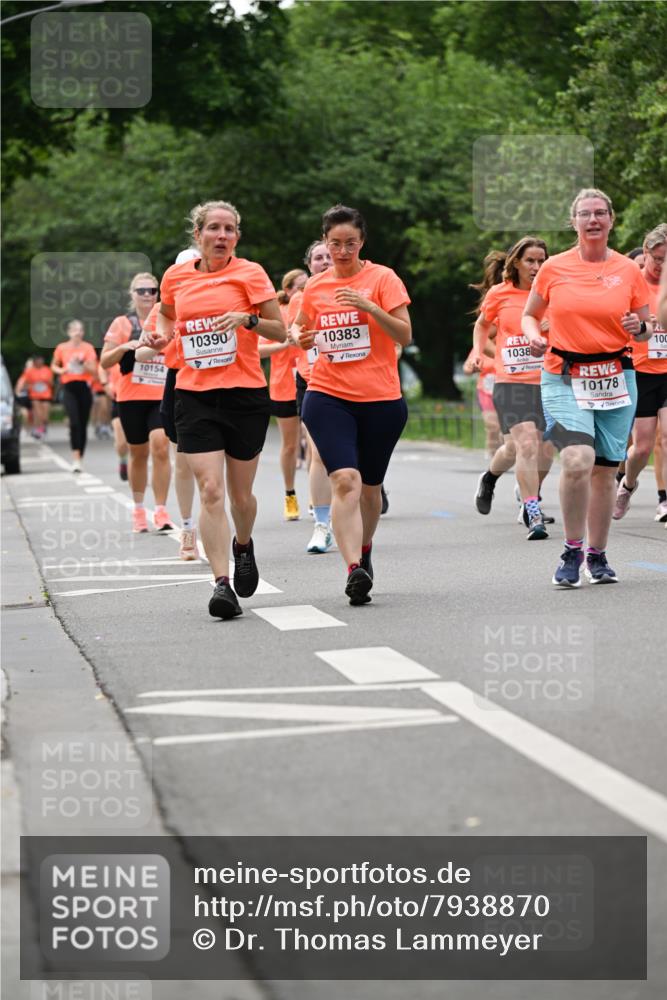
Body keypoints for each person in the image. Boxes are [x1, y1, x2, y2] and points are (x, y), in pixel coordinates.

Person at [144, 200, 286, 619]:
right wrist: (160, 338)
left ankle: (243, 544)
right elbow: (167, 320)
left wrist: (248, 319)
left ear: (236, 237)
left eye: (229, 230)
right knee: (211, 489)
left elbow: (280, 328)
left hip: (245, 394)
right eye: (214, 229)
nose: (222, 236)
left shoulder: (251, 273)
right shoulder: (175, 278)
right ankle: (221, 584)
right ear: (198, 235)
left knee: (241, 496)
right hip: (194, 393)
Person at [522, 188, 652, 586]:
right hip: (563, 371)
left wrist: (638, 328)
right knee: (577, 459)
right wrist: (532, 335)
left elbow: (645, 329)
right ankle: (571, 549)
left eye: (600, 213)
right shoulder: (555, 268)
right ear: (573, 221)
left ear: (611, 220)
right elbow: (531, 315)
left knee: (603, 470)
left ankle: (597, 555)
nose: (593, 220)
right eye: (585, 214)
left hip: (615, 375)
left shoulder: (629, 271)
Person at [293, 204, 411, 606]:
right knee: (345, 480)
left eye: (350, 243)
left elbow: (405, 335)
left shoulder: (382, 278)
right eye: (335, 243)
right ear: (325, 242)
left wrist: (371, 308)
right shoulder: (316, 286)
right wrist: (299, 336)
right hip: (327, 394)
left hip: (381, 399)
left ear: (362, 242)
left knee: (371, 492)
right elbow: (302, 327)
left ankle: (364, 548)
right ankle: (352, 570)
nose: (342, 251)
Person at [471, 237, 554, 539]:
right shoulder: (500, 293)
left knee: (532, 450)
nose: (536, 266)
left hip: (548, 382)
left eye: (541, 260)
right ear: (516, 262)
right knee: (527, 446)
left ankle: (490, 477)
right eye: (530, 260)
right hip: (511, 382)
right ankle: (532, 511)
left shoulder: (551, 293)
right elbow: (482, 324)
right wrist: (478, 352)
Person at [136, 247, 201, 561]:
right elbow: (141, 354)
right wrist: (151, 345)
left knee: (224, 470)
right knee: (184, 461)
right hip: (180, 383)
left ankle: (233, 532)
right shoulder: (163, 307)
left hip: (223, 381)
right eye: (183, 270)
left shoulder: (222, 296)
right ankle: (188, 530)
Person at [101, 273, 175, 533]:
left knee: (160, 446)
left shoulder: (166, 319)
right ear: (132, 294)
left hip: (159, 396)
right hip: (130, 397)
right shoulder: (122, 324)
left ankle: (162, 510)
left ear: (158, 293)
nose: (146, 295)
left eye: (151, 290)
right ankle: (139, 508)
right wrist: (125, 348)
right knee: (138, 453)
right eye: (141, 290)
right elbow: (104, 362)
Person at [613, 224, 667, 522]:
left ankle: (666, 498)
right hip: (641, 371)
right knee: (642, 447)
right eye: (658, 258)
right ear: (645, 252)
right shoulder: (631, 282)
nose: (662, 266)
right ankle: (628, 484)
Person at [288, 240, 335, 554]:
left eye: (329, 256)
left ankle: (351, 512)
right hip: (313, 381)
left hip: (356, 382)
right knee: (317, 453)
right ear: (309, 265)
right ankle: (322, 525)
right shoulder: (302, 299)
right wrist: (300, 337)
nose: (325, 261)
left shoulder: (356, 290)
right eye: (318, 257)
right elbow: (293, 331)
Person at [259, 268, 307, 520]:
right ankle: (290, 495)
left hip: (311, 381)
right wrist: (285, 343)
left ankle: (316, 498)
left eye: (306, 285)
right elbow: (257, 351)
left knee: (313, 442)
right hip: (283, 387)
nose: (303, 289)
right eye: (298, 286)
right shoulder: (278, 312)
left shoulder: (313, 306)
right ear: (288, 290)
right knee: (290, 445)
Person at [51, 320, 98, 471]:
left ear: (83, 333)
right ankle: (75, 458)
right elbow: (53, 366)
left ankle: (80, 457)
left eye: (80, 330)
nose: (77, 333)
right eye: (75, 330)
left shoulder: (88, 348)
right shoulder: (62, 348)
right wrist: (63, 370)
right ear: (69, 332)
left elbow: (94, 370)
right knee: (74, 422)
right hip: (69, 387)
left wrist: (82, 363)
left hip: (84, 387)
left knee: (83, 424)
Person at [16, 355, 53, 438]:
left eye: (41, 360)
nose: (40, 362)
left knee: (45, 416)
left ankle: (43, 426)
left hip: (46, 395)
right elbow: (23, 382)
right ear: (35, 362)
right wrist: (26, 387)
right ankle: (38, 430)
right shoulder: (29, 371)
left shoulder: (47, 370)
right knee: (38, 413)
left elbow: (51, 383)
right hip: (35, 395)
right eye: (38, 360)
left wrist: (46, 381)